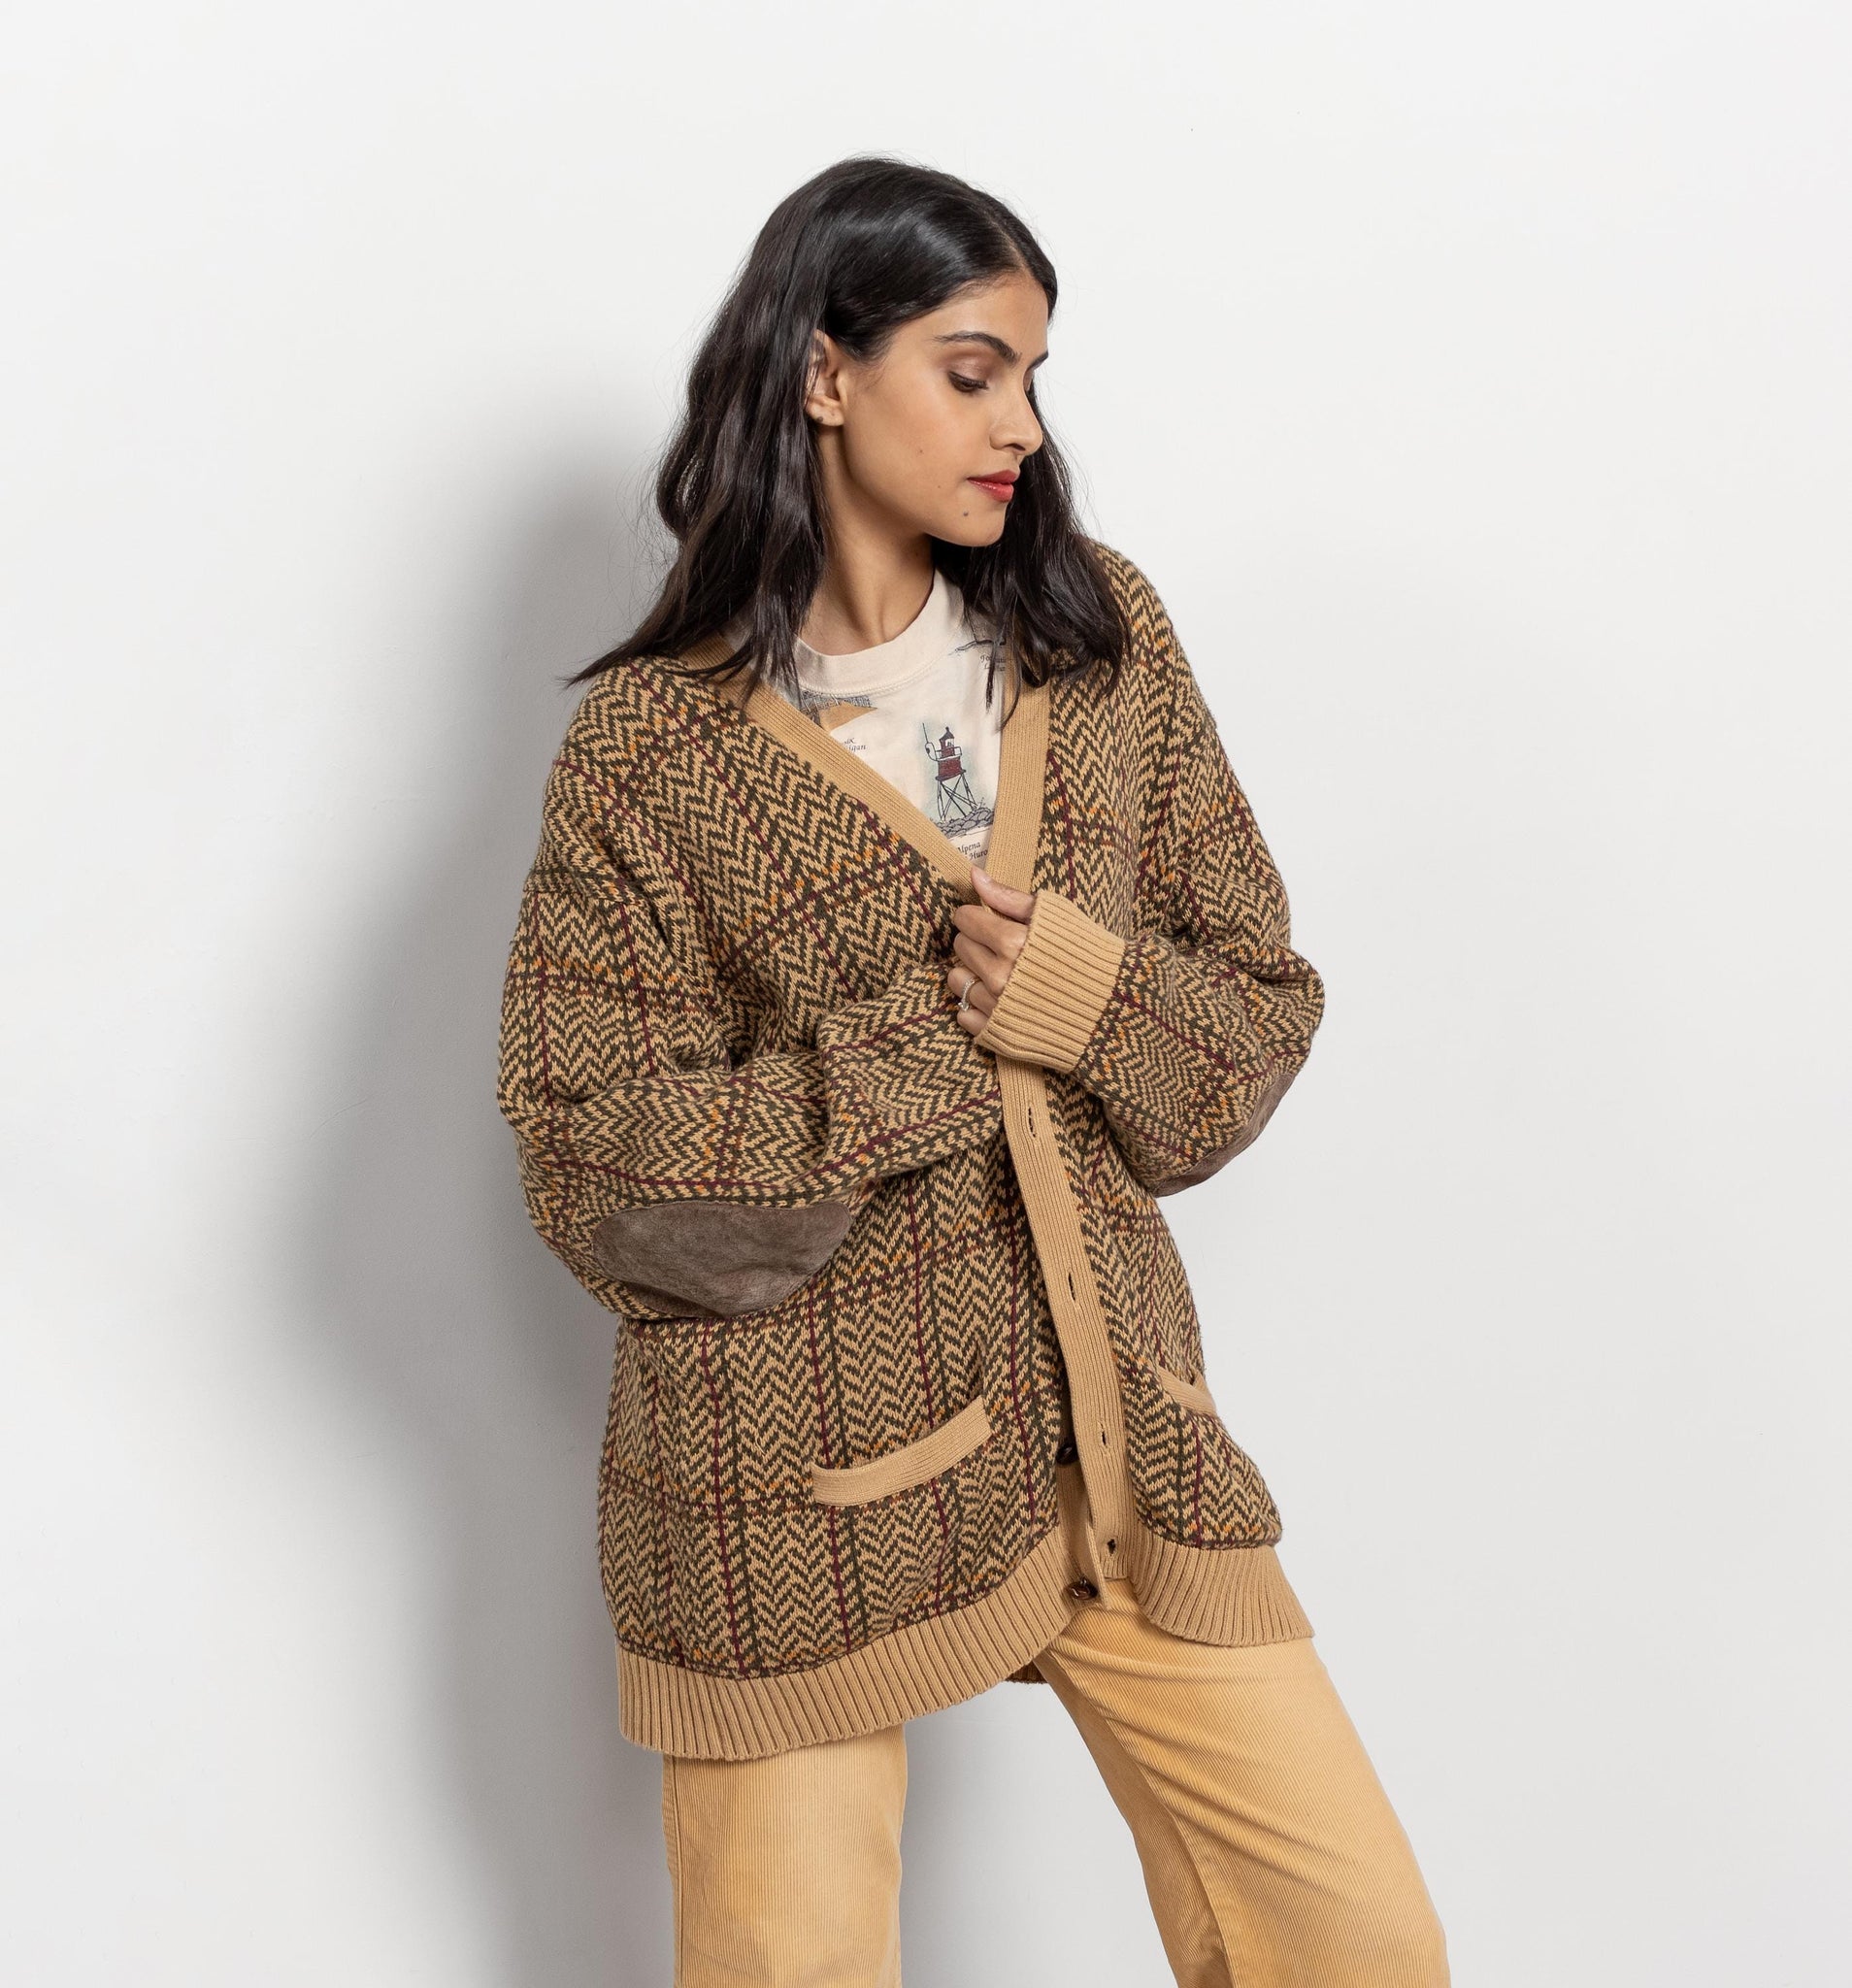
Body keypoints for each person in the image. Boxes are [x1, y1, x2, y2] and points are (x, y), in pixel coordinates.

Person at [497, 154, 1449, 1988]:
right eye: (970, 369)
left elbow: (1257, 1012)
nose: (1020, 423)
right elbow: (590, 1165)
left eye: (1032, 376)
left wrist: (1080, 996)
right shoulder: (653, 749)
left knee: (1355, 1942)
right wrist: (922, 1056)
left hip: (1115, 1445)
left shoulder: (1097, 642)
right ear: (822, 373)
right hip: (777, 1503)